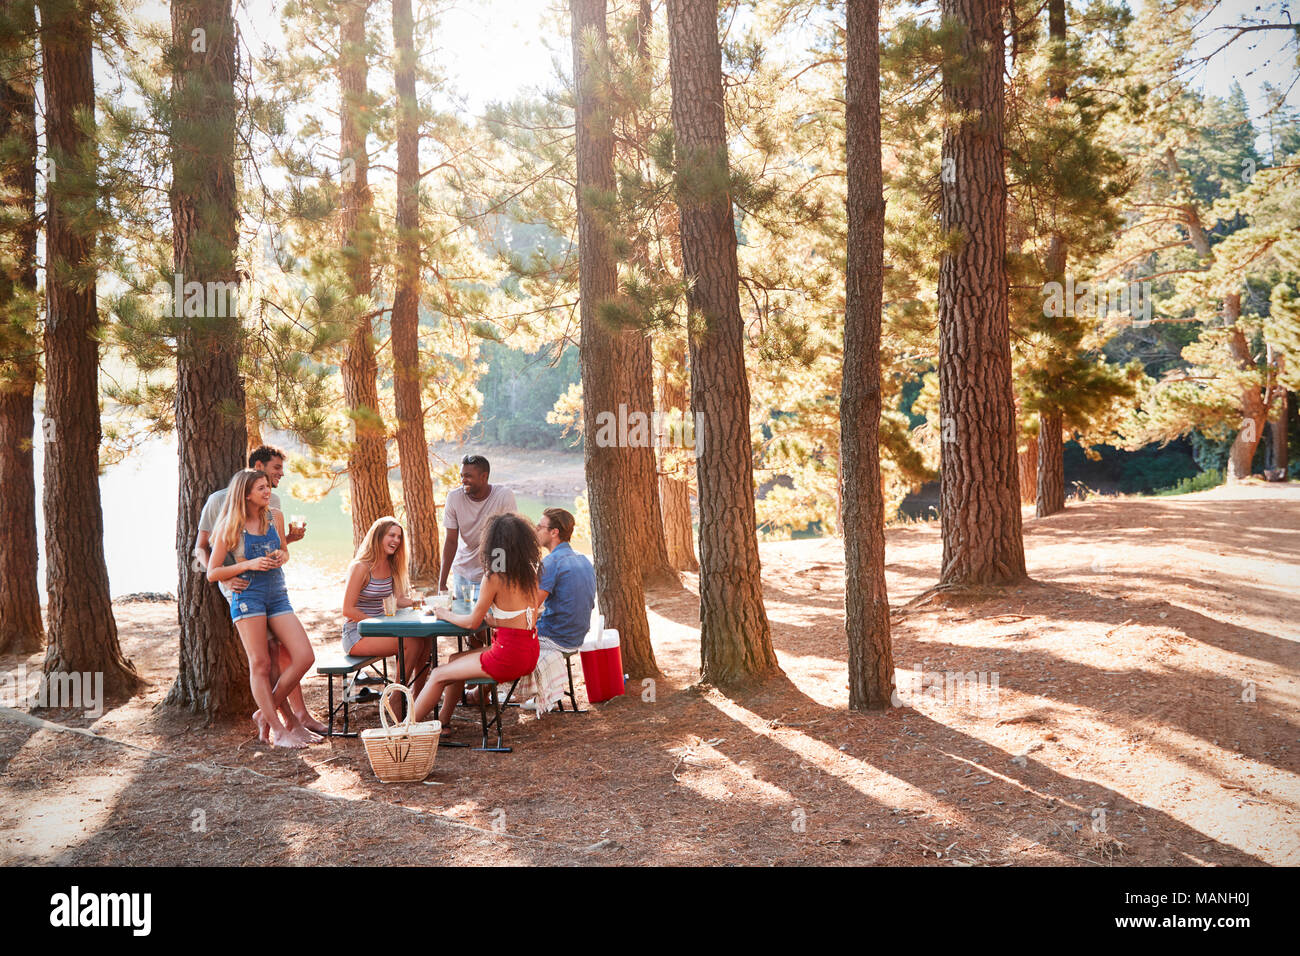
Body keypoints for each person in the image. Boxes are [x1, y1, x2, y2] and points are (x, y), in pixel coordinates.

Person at [193, 444, 324, 735]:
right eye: (263, 485)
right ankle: (281, 726)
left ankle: (270, 715)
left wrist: (284, 551)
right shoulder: (225, 516)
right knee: (262, 662)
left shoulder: (273, 513)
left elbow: (281, 550)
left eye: (269, 486)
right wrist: (240, 569)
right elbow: (209, 563)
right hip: (245, 593)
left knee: (299, 655)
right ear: (249, 489)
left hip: (276, 592)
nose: (270, 490)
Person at [412, 513, 541, 731]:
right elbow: (526, 615)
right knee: (453, 659)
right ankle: (442, 722)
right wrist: (496, 621)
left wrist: (444, 614)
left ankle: (402, 730)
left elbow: (473, 623)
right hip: (529, 652)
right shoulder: (529, 572)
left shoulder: (493, 577)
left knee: (437, 674)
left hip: (507, 656)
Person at [341, 517, 431, 699]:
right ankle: (396, 698)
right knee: (412, 642)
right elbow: (347, 609)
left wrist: (426, 603)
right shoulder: (361, 567)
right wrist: (376, 624)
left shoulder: (392, 566)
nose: (396, 541)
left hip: (380, 630)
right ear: (378, 536)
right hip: (357, 634)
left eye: (399, 537)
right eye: (392, 535)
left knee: (426, 638)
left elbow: (398, 600)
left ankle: (417, 697)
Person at [438, 454, 516, 603]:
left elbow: (507, 540)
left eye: (468, 476)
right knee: (463, 620)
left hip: (490, 574)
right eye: (462, 476)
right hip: (462, 573)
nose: (463, 481)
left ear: (484, 476)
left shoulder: (504, 496)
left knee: (487, 622)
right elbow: (451, 541)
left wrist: (498, 577)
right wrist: (442, 583)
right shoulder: (454, 498)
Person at [535, 508, 596, 652]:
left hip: (554, 638)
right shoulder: (584, 559)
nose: (536, 530)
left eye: (540, 526)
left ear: (554, 532)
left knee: (504, 645)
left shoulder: (551, 562)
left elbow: (531, 606)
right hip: (578, 637)